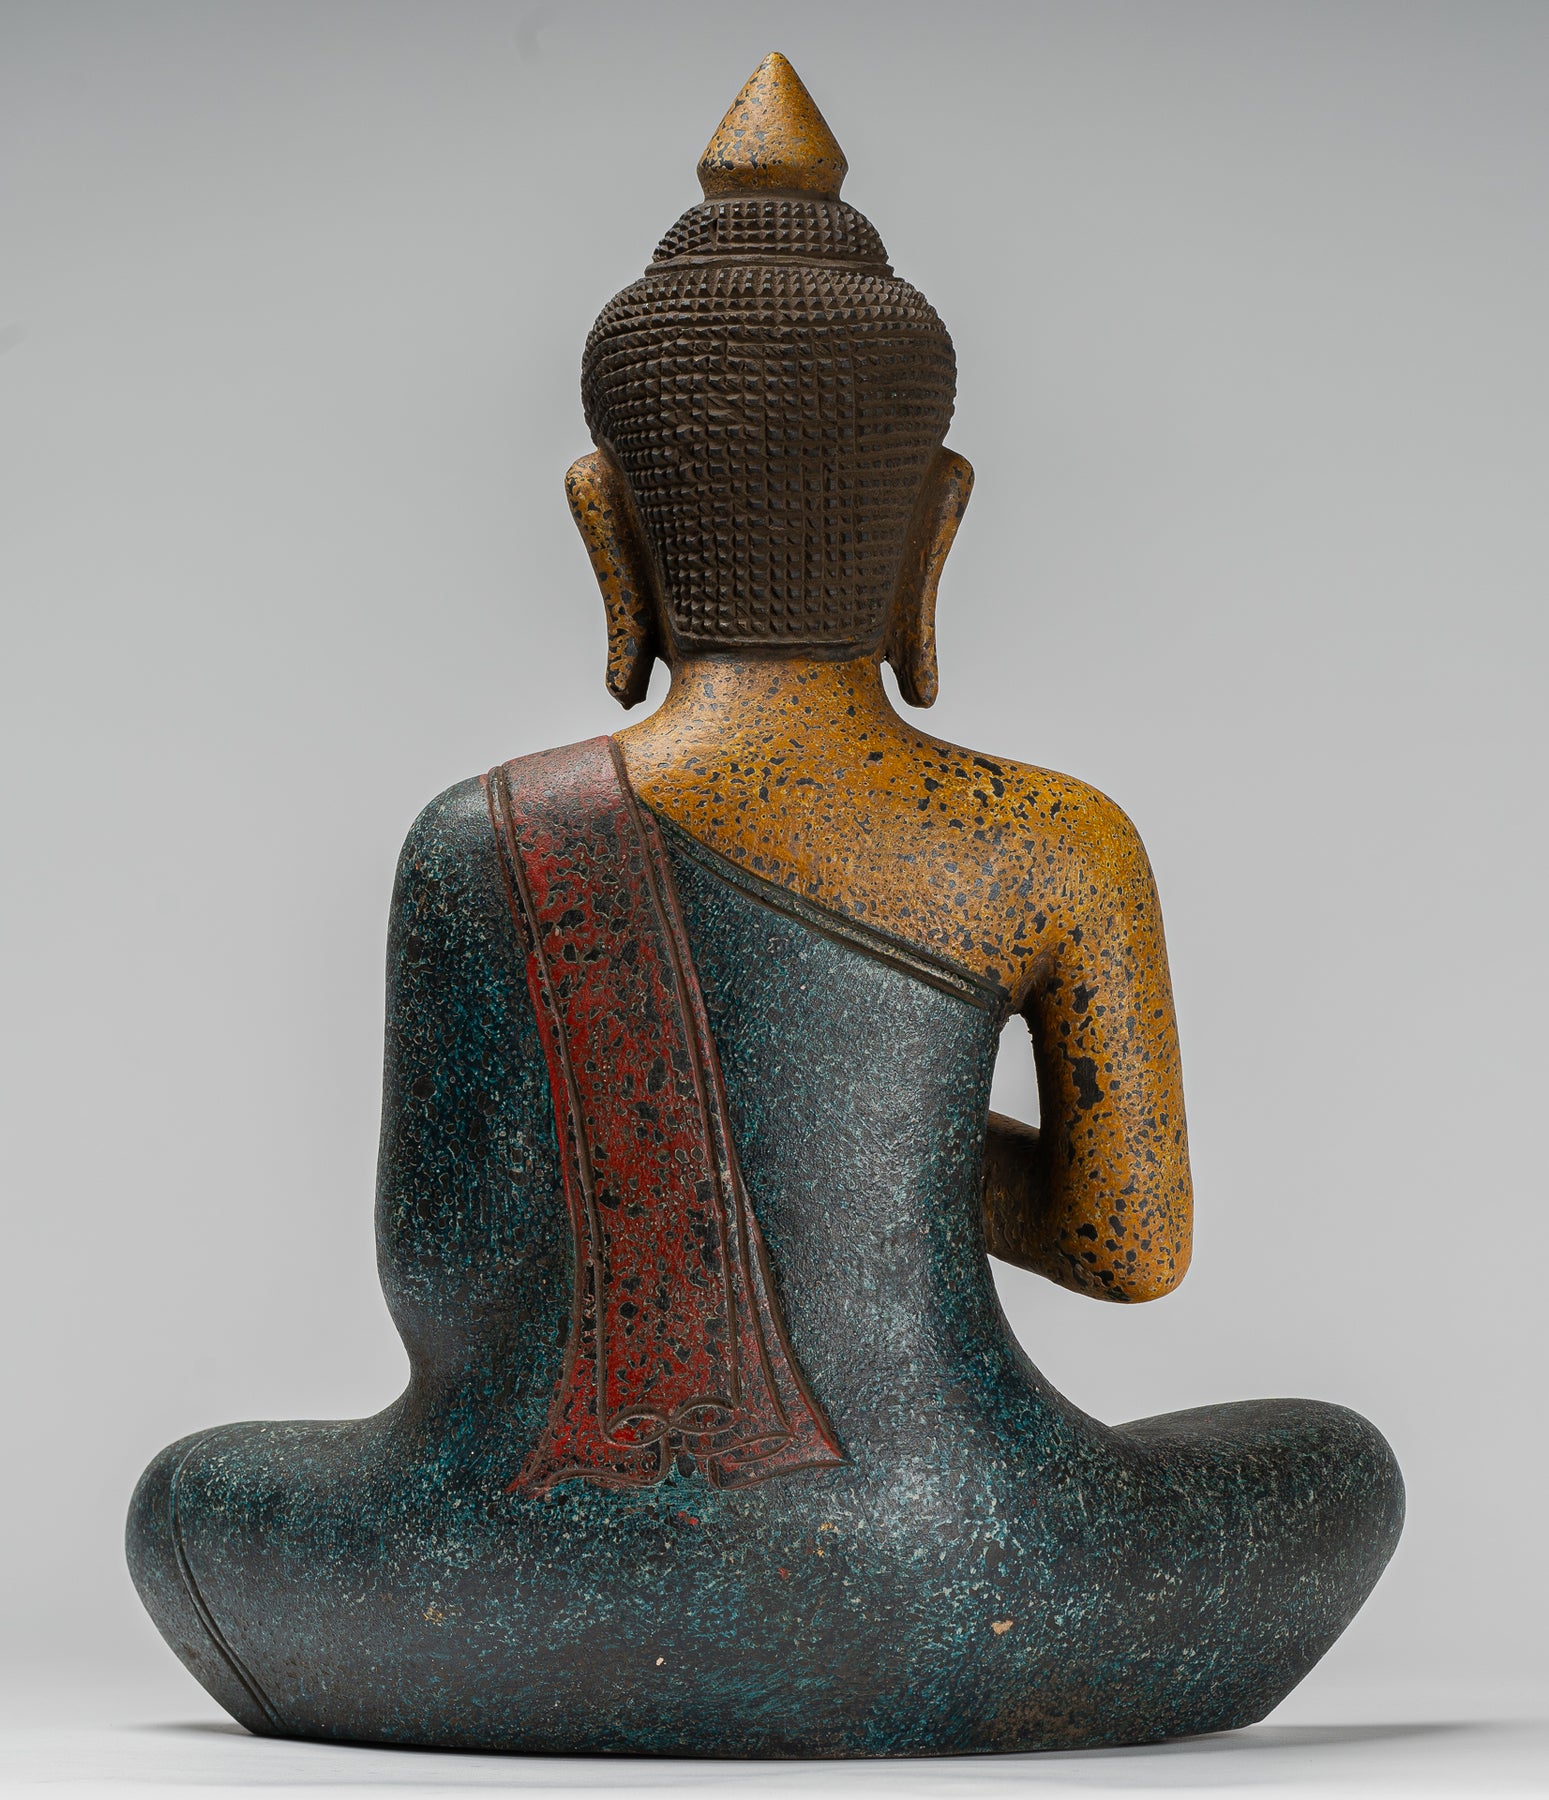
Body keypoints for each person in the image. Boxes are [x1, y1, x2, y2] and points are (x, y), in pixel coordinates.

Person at [128, 53, 1402, 1756]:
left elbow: (444, 1274)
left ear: (609, 533)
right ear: (933, 531)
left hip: (519, 1593)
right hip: (979, 1567)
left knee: (196, 1499)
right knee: (1330, 1465)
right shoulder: (1047, 842)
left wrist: (735, 1129)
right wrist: (869, 1141)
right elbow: (1127, 1247)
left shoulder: (483, 841)